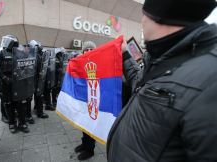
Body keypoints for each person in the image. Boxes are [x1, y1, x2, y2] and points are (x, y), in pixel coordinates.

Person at [107, 0, 217, 161]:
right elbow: (138, 82)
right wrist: (124, 54)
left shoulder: (210, 80)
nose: (142, 21)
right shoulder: (163, 57)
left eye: (144, 15)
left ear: (159, 16)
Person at [0, 35, 30, 133]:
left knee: (20, 103)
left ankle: (22, 122)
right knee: (8, 104)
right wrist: (4, 78)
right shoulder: (2, 53)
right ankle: (11, 123)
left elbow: (25, 66)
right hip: (6, 83)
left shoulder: (20, 53)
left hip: (18, 82)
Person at [74, 41, 97, 161]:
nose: (88, 51)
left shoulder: (98, 64)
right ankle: (84, 144)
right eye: (86, 49)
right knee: (83, 124)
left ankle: (90, 150)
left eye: (90, 49)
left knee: (90, 126)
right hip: (82, 100)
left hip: (93, 100)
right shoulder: (80, 62)